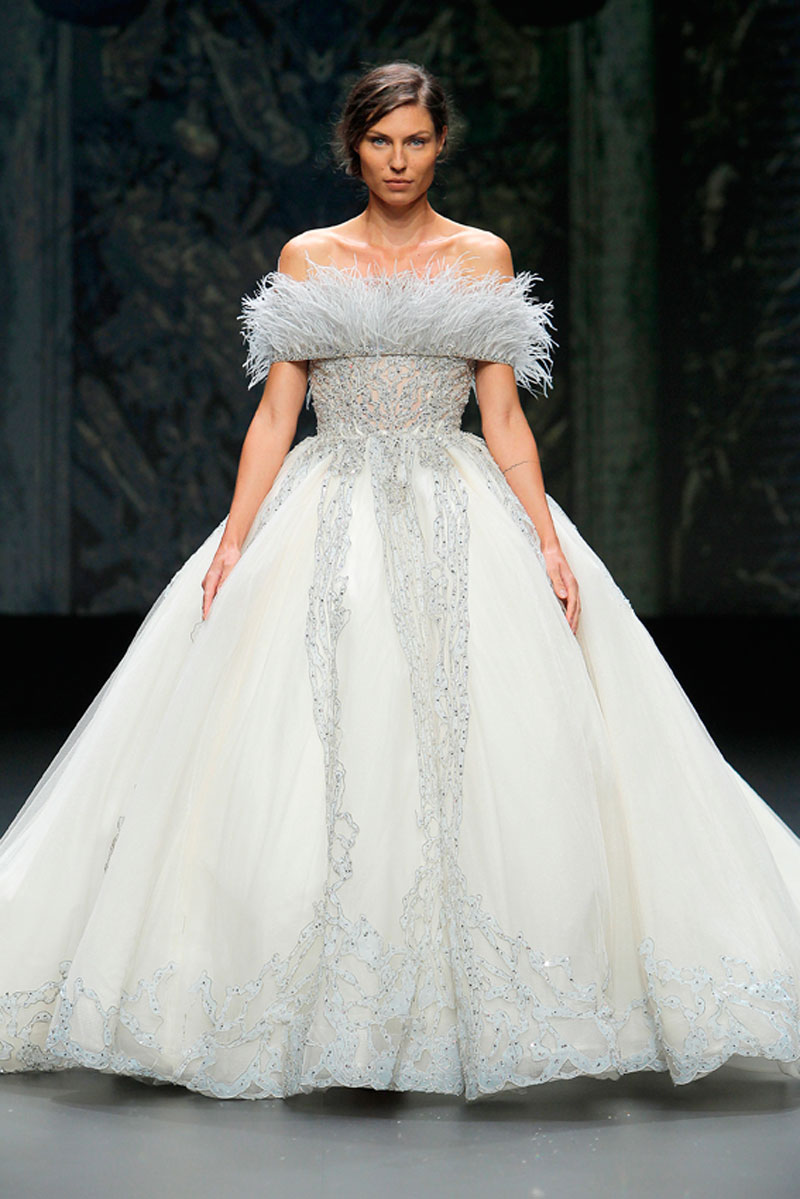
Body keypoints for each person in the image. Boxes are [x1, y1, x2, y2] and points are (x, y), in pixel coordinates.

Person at [1, 60, 799, 1103]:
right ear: (353, 146)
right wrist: (235, 541)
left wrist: (546, 541)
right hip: (324, 510)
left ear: (440, 144)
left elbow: (503, 418)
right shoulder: (308, 256)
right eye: (380, 141)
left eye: (416, 140)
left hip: (457, 509)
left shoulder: (479, 256)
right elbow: (275, 416)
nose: (398, 159)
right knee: (306, 736)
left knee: (486, 739)